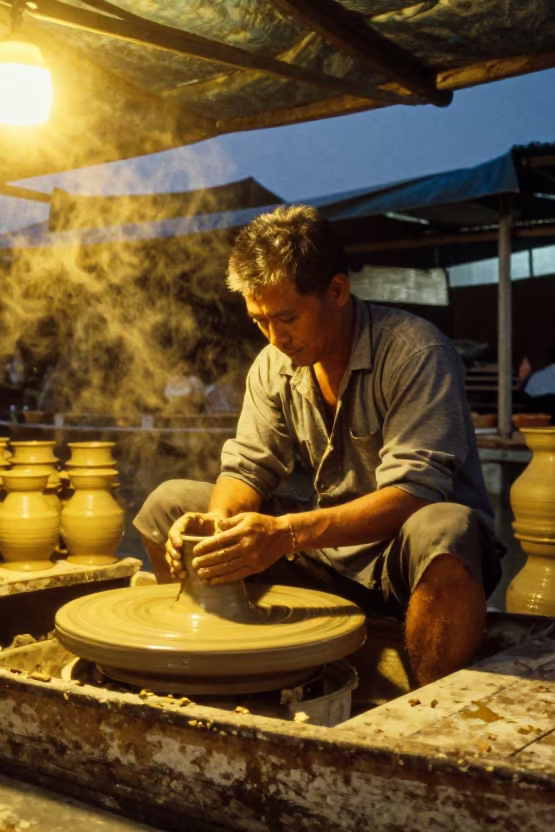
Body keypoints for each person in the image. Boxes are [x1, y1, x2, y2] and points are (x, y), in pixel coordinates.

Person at [133, 205, 501, 687]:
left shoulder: (415, 352)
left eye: (287, 317)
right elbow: (247, 468)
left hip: (407, 565)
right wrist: (218, 530)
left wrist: (284, 534)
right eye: (260, 320)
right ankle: (207, 663)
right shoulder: (273, 363)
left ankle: (430, 708)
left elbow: (416, 492)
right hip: (328, 555)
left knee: (445, 525)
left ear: (337, 291)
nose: (275, 337)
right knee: (170, 505)